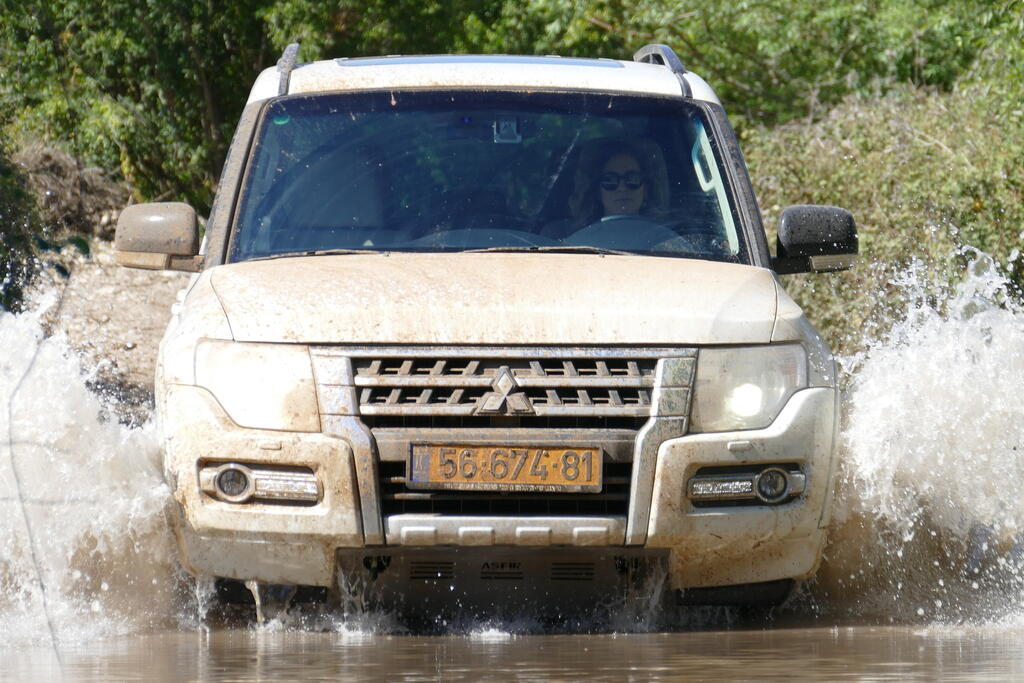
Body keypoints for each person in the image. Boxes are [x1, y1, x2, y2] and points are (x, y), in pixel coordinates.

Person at [567, 138, 668, 228]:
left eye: (632, 178)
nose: (622, 188)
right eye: (609, 180)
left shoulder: (667, 242)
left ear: (645, 189)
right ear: (598, 192)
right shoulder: (571, 245)